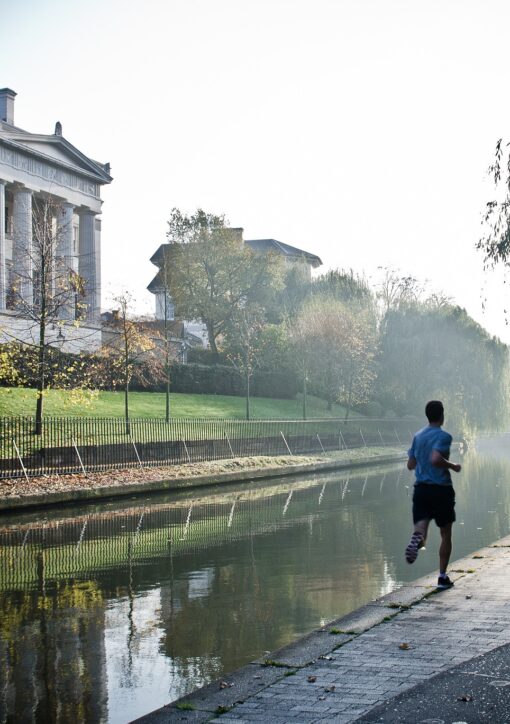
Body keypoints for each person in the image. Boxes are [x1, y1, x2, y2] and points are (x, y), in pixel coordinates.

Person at [405, 400, 462, 589]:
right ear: (441, 415)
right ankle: (442, 577)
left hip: (421, 490)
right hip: (440, 490)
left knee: (420, 532)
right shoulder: (444, 436)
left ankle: (417, 540)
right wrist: (453, 466)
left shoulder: (418, 436)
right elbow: (436, 458)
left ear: (427, 415)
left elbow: (410, 464)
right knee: (446, 534)